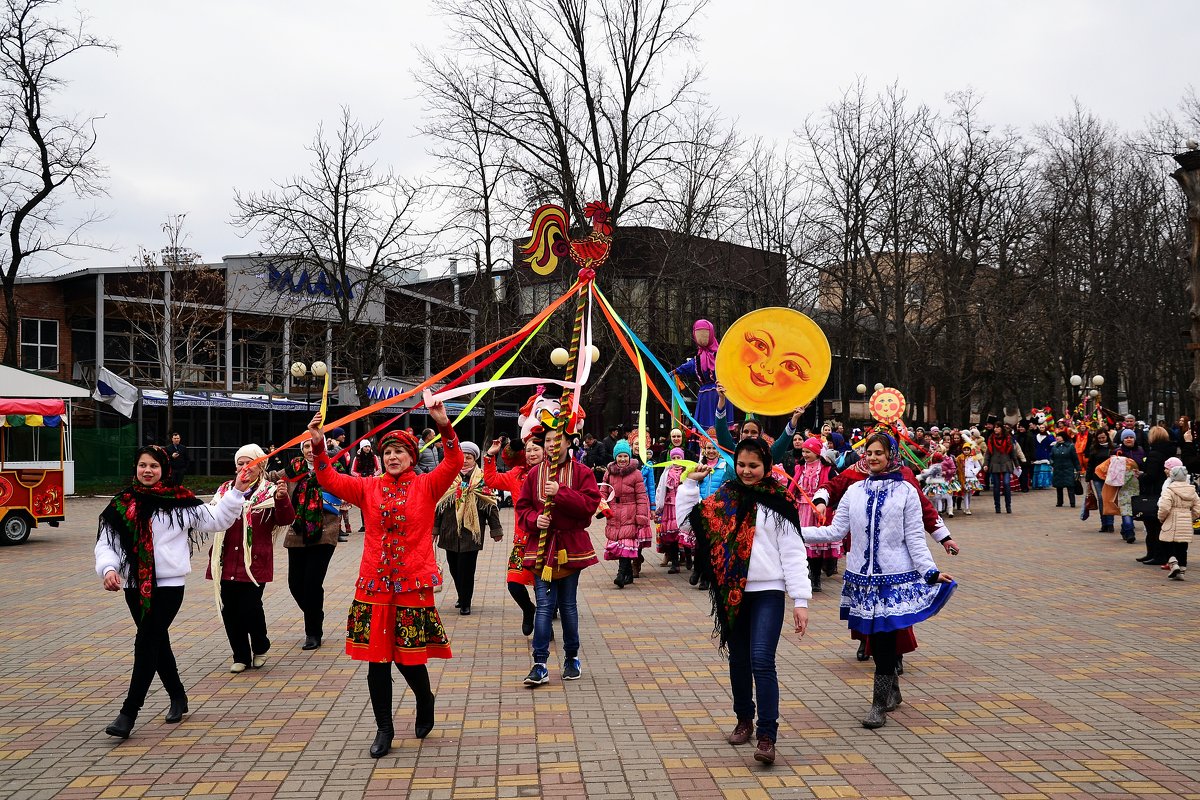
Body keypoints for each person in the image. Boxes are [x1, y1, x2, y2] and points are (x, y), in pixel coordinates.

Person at [306, 401, 462, 757]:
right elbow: (327, 477)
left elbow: (453, 463)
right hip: (374, 585)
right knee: (378, 660)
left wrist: (444, 426)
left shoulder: (427, 485)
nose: (393, 457)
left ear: (411, 456)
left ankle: (425, 698)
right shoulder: (368, 488)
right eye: (387, 452)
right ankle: (384, 729)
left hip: (411, 583)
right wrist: (318, 445)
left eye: (399, 452)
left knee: (410, 657)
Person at [800, 433, 956, 730]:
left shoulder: (906, 492)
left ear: (891, 456)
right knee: (878, 640)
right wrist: (795, 533)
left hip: (892, 580)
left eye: (878, 453)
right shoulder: (854, 490)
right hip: (861, 580)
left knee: (884, 641)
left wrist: (930, 572)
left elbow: (914, 538)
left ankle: (877, 705)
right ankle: (892, 690)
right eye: (869, 453)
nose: (872, 458)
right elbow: (834, 532)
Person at [95, 445, 252, 739]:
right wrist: (109, 569)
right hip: (133, 584)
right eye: (143, 465)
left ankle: (129, 712)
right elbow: (106, 543)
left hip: (168, 585)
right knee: (156, 640)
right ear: (136, 468)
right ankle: (178, 696)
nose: (147, 471)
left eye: (154, 466)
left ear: (164, 469)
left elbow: (217, 519)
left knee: (147, 640)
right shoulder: (121, 504)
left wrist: (237, 492)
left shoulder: (180, 501)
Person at [677, 437, 810, 766]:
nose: (747, 471)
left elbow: (793, 553)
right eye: (742, 465)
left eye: (754, 465)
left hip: (769, 592)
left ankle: (767, 735)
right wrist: (689, 486)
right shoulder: (727, 497)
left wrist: (800, 599)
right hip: (733, 592)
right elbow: (692, 524)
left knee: (762, 660)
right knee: (739, 660)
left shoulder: (779, 501)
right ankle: (743, 719)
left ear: (766, 465)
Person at [517, 426, 601, 688]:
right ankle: (539, 663)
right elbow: (522, 508)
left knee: (567, 605)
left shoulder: (582, 472)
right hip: (541, 549)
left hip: (569, 548)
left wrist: (561, 492)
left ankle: (571, 657)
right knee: (543, 605)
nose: (552, 445)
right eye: (549, 441)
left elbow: (589, 507)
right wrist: (534, 519)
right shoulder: (534, 473)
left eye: (557, 440)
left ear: (569, 442)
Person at [205, 445, 295, 673]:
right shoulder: (225, 490)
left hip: (254, 562)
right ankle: (240, 655)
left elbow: (285, 520)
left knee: (250, 607)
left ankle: (260, 645)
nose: (245, 468)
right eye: (240, 463)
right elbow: (213, 517)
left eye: (250, 463)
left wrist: (283, 499)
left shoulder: (270, 491)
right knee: (229, 610)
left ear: (261, 465)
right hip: (225, 561)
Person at [274, 437, 346, 650]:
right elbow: (270, 478)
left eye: (312, 445)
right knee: (295, 584)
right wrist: (250, 467)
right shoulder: (294, 467)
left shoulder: (332, 466)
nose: (308, 450)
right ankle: (316, 614)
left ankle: (313, 631)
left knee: (312, 583)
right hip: (297, 528)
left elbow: (348, 484)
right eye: (305, 446)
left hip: (325, 529)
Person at [434, 441, 502, 616]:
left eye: (469, 457)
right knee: (454, 567)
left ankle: (466, 602)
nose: (465, 460)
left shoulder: (482, 479)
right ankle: (461, 594)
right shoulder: (448, 477)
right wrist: (434, 529)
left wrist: (496, 530)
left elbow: (490, 505)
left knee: (467, 569)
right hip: (449, 531)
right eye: (462, 457)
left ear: (475, 459)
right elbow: (439, 505)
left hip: (472, 532)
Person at [484, 435, 542, 636]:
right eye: (528, 450)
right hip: (523, 540)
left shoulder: (553, 473)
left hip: (547, 538)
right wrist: (491, 456)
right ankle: (528, 609)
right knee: (514, 584)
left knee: (542, 587)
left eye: (537, 449)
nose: (532, 454)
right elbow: (491, 479)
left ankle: (545, 626)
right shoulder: (516, 475)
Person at [602, 440, 652, 588]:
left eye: (625, 456)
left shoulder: (636, 474)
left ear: (629, 457)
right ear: (615, 457)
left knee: (625, 542)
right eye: (620, 456)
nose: (622, 459)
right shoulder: (609, 473)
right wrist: (602, 505)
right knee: (618, 544)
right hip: (614, 512)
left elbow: (641, 497)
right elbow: (603, 491)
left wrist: (641, 516)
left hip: (630, 511)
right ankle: (628, 573)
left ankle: (620, 575)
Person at [1137, 426, 1176, 565]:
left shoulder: (1154, 454)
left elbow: (1151, 476)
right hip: (1166, 491)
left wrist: (1141, 476)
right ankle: (1155, 554)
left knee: (1152, 526)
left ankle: (1155, 554)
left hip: (1154, 493)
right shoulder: (1170, 452)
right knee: (1160, 525)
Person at [1158, 459, 1198, 580]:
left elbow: (1164, 507)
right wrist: (1191, 517)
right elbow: (1198, 507)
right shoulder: (1192, 490)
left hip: (1171, 518)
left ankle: (1172, 562)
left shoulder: (1169, 490)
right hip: (1185, 519)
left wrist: (1161, 518)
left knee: (1165, 541)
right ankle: (1181, 570)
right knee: (1183, 545)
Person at [1095, 445, 1141, 543]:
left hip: (1123, 495)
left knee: (1126, 514)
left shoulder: (1114, 470)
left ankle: (1129, 532)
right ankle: (1126, 530)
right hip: (1135, 494)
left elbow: (1100, 471)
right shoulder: (1133, 466)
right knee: (1131, 513)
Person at [655, 447, 687, 574]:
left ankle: (687, 557)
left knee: (684, 532)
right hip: (670, 506)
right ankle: (674, 562)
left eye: (678, 457)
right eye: (674, 458)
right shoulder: (667, 472)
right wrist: (658, 505)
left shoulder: (687, 472)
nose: (676, 460)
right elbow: (661, 488)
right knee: (672, 534)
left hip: (682, 506)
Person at [986, 425, 1020, 514]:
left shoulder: (1008, 438)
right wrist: (985, 464)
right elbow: (988, 453)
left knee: (1006, 483)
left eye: (998, 427)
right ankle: (997, 507)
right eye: (995, 427)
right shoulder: (991, 439)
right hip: (995, 464)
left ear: (1002, 429)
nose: (995, 429)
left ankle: (1008, 506)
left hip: (1006, 463)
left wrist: (1017, 465)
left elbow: (1013, 453)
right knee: (996, 486)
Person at [1085, 429, 1115, 531]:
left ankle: (1110, 523)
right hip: (1097, 477)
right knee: (1101, 499)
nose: (1101, 440)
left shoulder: (1112, 448)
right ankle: (1104, 523)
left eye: (1103, 437)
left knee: (1109, 500)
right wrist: (1088, 478)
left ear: (1107, 437)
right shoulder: (1094, 449)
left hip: (1110, 478)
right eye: (1099, 438)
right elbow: (1090, 464)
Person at [352, 441, 382, 532]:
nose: (367, 448)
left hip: (372, 481)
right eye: (365, 446)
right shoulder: (357, 458)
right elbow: (353, 471)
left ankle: (374, 523)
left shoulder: (374, 457)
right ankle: (364, 524)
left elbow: (379, 469)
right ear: (362, 448)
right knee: (363, 503)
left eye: (368, 446)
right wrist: (360, 476)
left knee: (374, 502)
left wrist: (373, 475)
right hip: (362, 482)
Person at [1050, 431, 1081, 509]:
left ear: (1063, 437)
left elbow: (1075, 458)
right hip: (1058, 469)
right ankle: (1059, 502)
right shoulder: (1054, 447)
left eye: (1059, 436)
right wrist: (1053, 463)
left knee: (1070, 486)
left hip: (1068, 469)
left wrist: (1078, 469)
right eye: (1057, 436)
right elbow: (1051, 457)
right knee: (1058, 486)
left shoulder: (1070, 446)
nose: (1057, 438)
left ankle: (1072, 502)